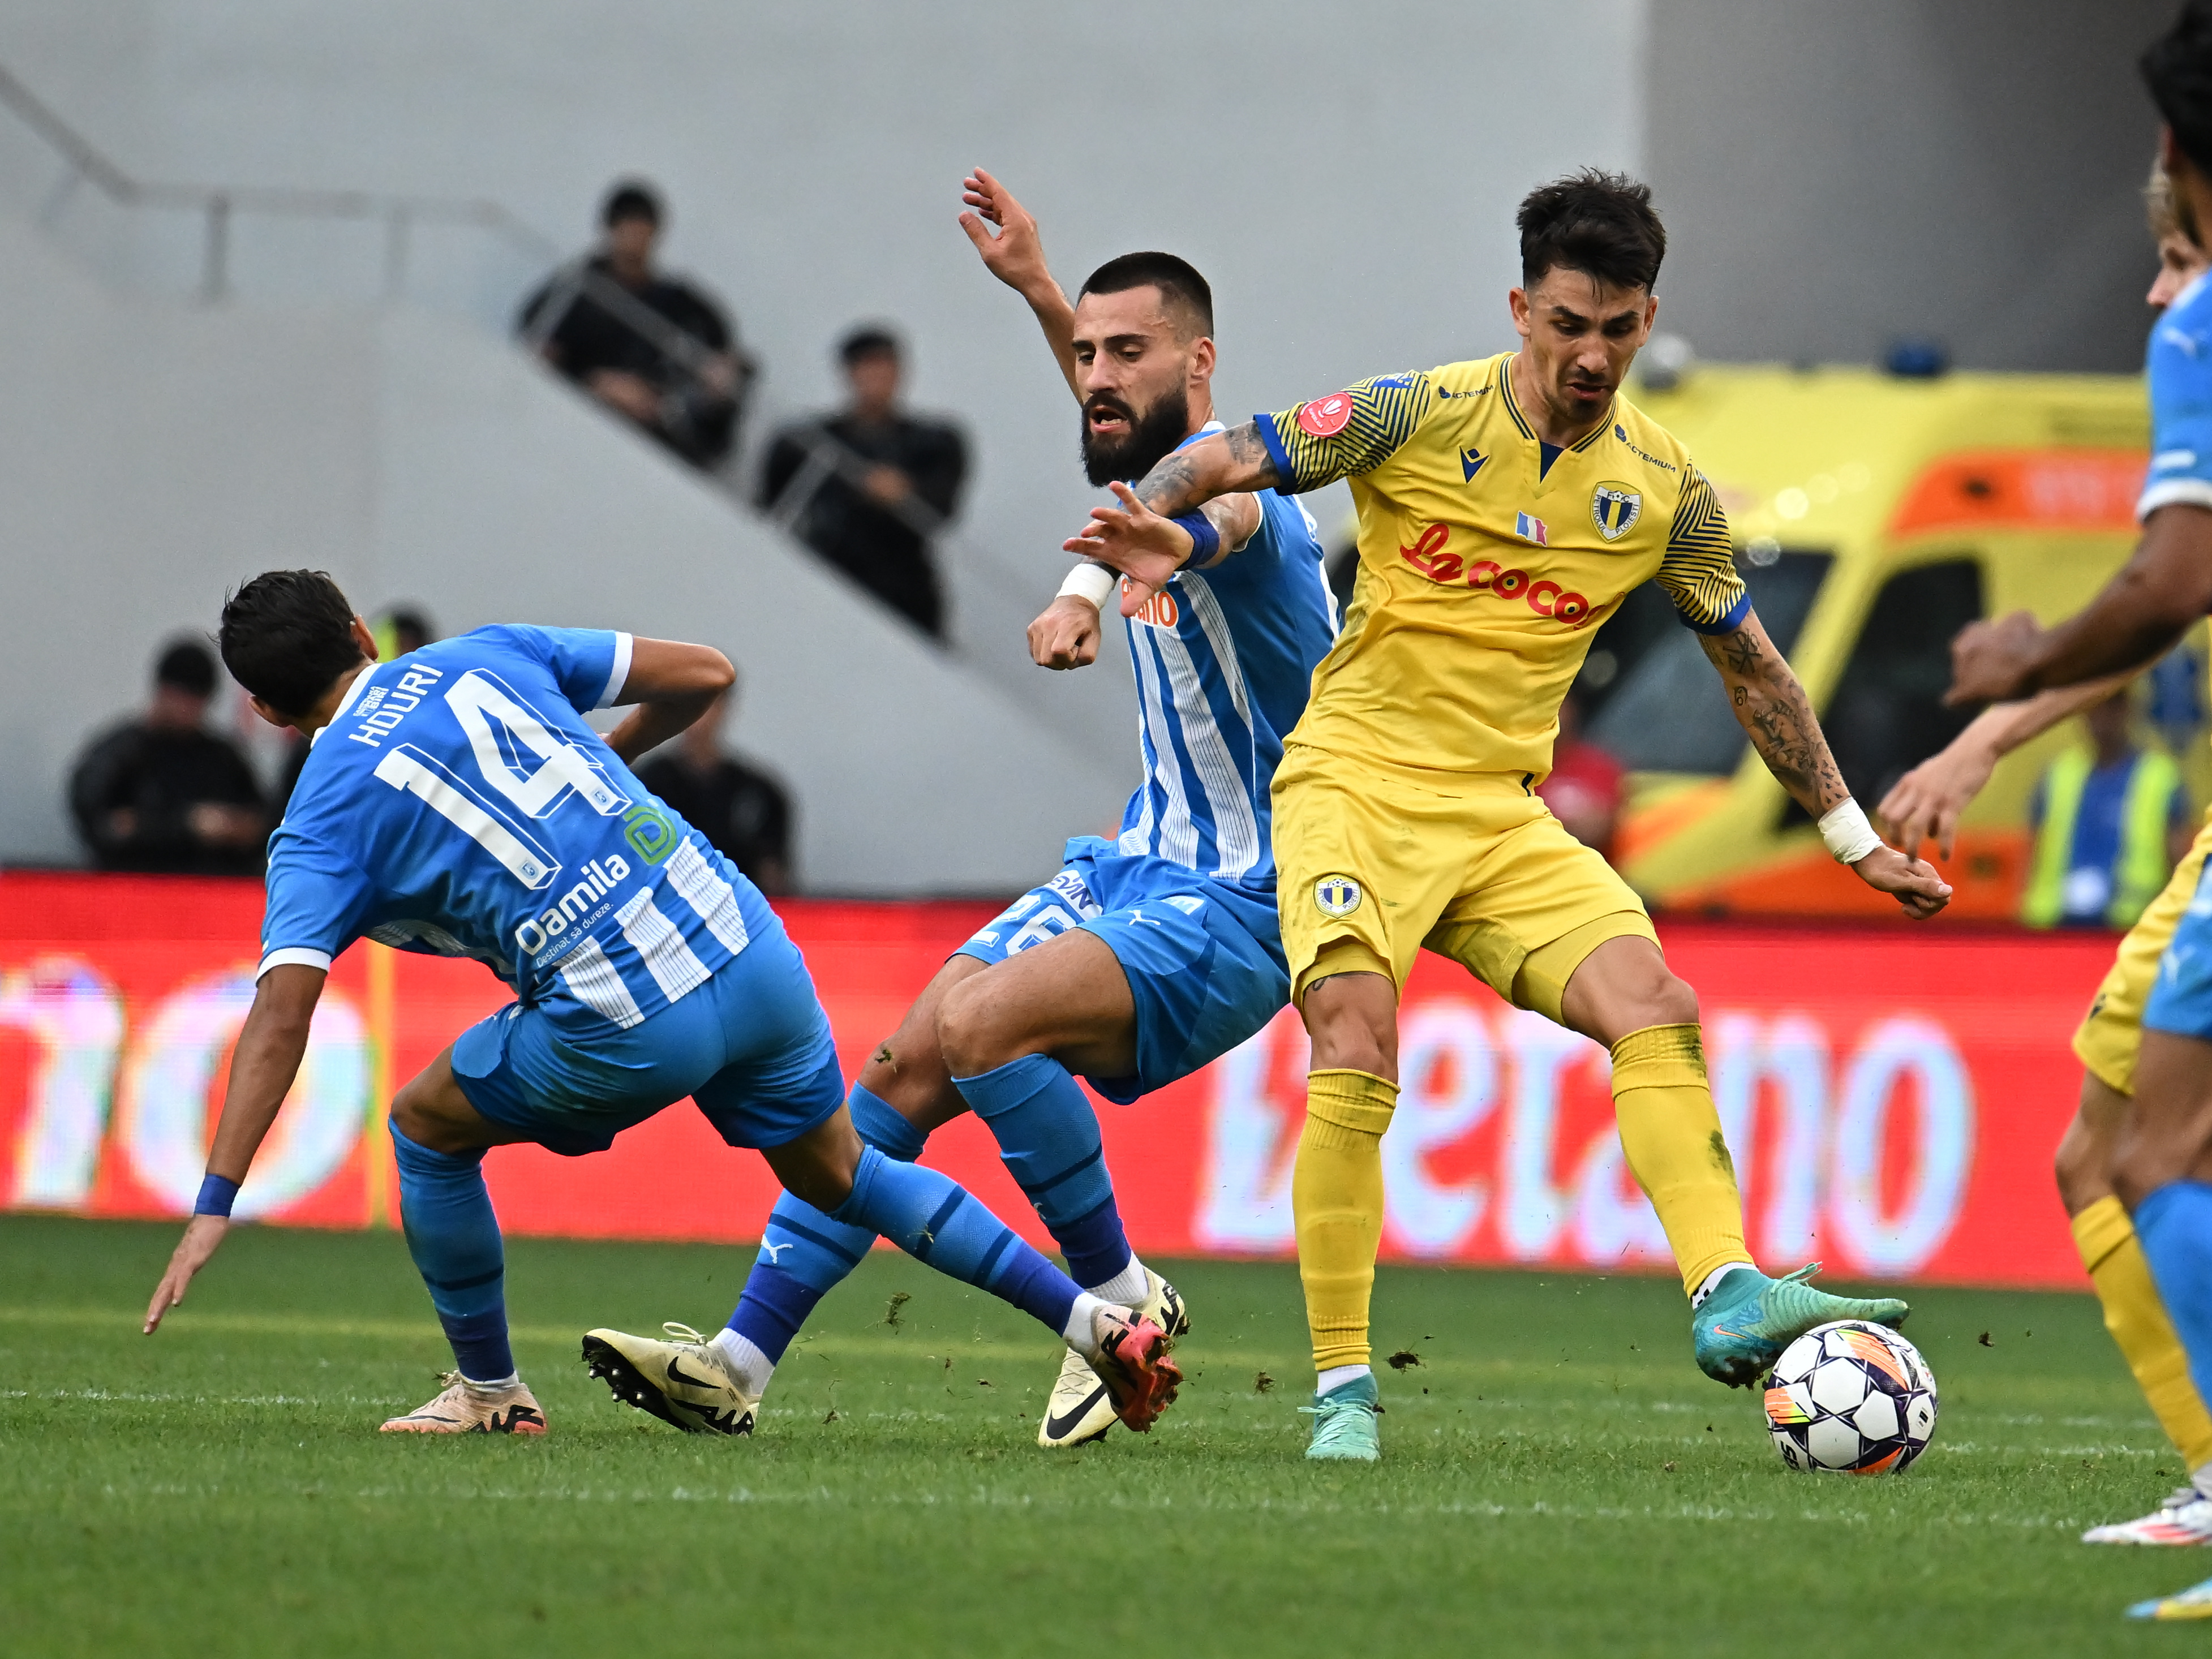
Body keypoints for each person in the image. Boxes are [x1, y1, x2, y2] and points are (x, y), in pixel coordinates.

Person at [1071, 169, 1951, 1463]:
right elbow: (1240, 447)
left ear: (1647, 320)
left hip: (1496, 814)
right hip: (1352, 784)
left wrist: (1849, 834)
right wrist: (1160, 510)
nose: (1590, 355)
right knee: (1355, 1039)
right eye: (1565, 323)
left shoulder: (1665, 492)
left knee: (1652, 1001)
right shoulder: (1414, 412)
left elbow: (1752, 667)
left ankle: (1724, 1288)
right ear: (1521, 307)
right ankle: (1341, 1391)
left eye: (1616, 327)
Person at [587, 170, 1336, 1451]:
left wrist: (1084, 598)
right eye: (1086, 355)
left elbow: (1188, 517)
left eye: (1128, 352)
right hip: (1132, 866)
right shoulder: (1135, 459)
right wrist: (1042, 291)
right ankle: (738, 1357)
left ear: (1199, 361)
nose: (1098, 375)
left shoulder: (1248, 506)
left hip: (1247, 897)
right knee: (897, 1067)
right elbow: (1131, 461)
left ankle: (1113, 1298)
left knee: (988, 1023)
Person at [140, 570, 1180, 1443]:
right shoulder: (484, 653)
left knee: (424, 1128)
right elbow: (706, 674)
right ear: (362, 632)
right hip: (749, 944)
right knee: (845, 1174)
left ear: (269, 712)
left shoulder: (316, 817)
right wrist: (605, 757)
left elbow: (283, 1010)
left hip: (628, 1018)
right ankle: (1091, 1319)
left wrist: (217, 1196)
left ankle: (493, 1394)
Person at [1896, 154, 2212, 1560]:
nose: (2155, 288)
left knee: (2146, 1149)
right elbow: (2153, 605)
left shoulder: (2197, 343)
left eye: (2177, 252)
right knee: (2098, 1152)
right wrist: (1991, 741)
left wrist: (2007, 685)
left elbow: (2161, 590)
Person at [517, 181, 748, 470]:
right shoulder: (577, 289)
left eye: (645, 232)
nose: (637, 241)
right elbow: (537, 342)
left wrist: (666, 398)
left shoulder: (682, 304)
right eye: (630, 230)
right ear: (611, 230)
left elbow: (722, 354)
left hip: (657, 431)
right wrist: (596, 382)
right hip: (579, 419)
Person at [761, 326, 968, 639]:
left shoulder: (935, 443)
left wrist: (906, 492)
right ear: (849, 373)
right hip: (822, 572)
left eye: (885, 366)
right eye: (867, 367)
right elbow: (769, 501)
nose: (877, 378)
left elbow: (941, 507)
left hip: (900, 587)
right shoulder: (808, 441)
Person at [69, 638, 267, 876]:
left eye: (197, 701)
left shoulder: (224, 759)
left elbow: (260, 825)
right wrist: (188, 826)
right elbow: (104, 827)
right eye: (182, 698)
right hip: (132, 887)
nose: (188, 710)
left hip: (211, 892)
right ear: (162, 691)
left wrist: (230, 828)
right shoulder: (120, 756)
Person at [2021, 690, 2188, 930]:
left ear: (2127, 710)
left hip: (2130, 926)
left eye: (2110, 706)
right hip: (2054, 926)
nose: (2101, 717)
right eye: (2093, 708)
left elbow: (2177, 864)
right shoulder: (2058, 775)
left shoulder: (2159, 777)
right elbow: (2032, 856)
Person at [634, 676, 793, 895]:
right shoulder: (645, 787)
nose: (698, 716)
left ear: (725, 708)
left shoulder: (759, 795)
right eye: (688, 703)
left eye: (707, 704)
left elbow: (774, 880)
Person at [1536, 687, 1626, 862]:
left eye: (1559, 705)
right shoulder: (1515, 767)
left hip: (1586, 872)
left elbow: (1599, 829)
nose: (1554, 715)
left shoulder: (1597, 765)